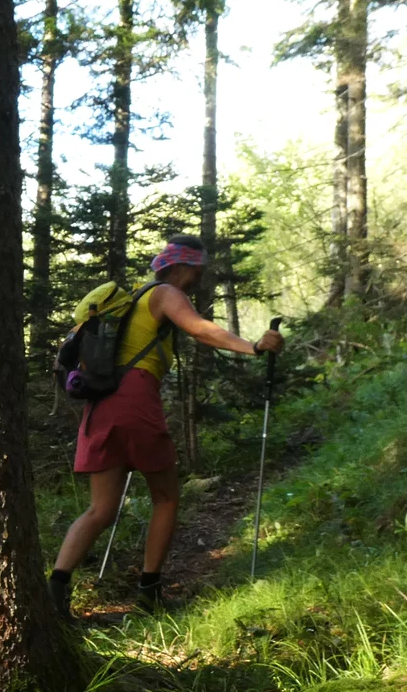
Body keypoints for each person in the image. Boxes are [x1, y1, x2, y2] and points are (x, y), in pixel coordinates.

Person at [50, 235, 282, 617]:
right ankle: (149, 591)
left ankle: (55, 592)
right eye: (196, 271)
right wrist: (253, 347)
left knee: (99, 509)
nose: (198, 280)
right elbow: (201, 329)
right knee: (166, 497)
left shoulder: (131, 302)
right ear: (180, 268)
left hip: (100, 409)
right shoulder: (165, 294)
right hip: (135, 403)